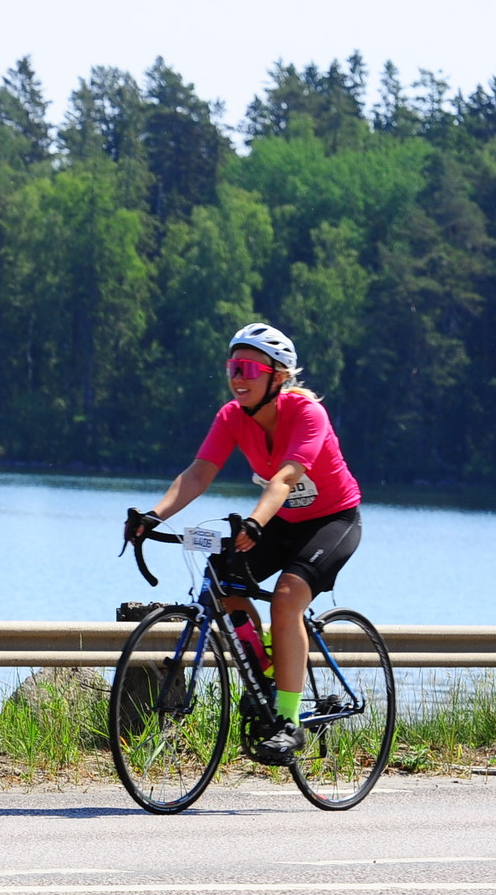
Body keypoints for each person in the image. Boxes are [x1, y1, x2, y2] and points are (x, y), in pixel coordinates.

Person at [124, 323, 363, 765]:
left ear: (278, 376)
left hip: (332, 521)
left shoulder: (307, 414)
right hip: (280, 520)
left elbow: (285, 478)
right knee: (223, 578)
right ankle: (266, 673)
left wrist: (254, 521)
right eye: (233, 367)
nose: (238, 377)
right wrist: (153, 516)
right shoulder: (232, 417)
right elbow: (199, 473)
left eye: (249, 369)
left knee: (287, 598)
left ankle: (289, 722)